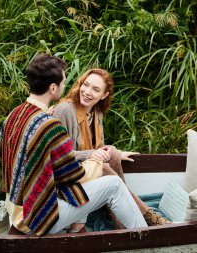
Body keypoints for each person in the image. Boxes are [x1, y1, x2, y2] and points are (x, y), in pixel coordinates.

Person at [0, 54, 147, 236]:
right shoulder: (49, 126)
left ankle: (81, 226)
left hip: (15, 210)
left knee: (99, 179)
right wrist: (97, 158)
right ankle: (148, 238)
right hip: (38, 217)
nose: (66, 86)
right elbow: (70, 176)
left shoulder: (13, 115)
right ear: (53, 88)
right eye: (63, 82)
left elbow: (5, 164)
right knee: (114, 184)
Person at [51, 68, 171, 227]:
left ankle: (116, 213)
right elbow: (57, 154)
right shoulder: (65, 110)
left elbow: (98, 147)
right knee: (105, 169)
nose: (87, 92)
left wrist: (116, 153)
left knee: (111, 152)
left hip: (86, 166)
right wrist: (91, 154)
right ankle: (146, 214)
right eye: (85, 85)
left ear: (104, 95)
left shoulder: (96, 113)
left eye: (95, 89)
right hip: (65, 171)